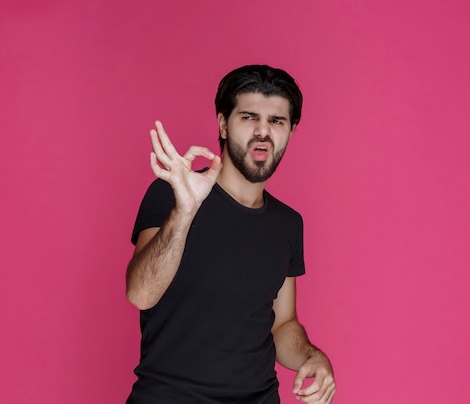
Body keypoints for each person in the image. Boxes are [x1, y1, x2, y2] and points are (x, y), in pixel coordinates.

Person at [125, 65, 336, 403]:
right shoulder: (171, 196)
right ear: (223, 124)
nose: (263, 132)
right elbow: (140, 294)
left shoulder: (288, 223)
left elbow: (283, 324)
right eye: (249, 117)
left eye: (277, 121)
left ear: (291, 131)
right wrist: (184, 212)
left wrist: (313, 357)